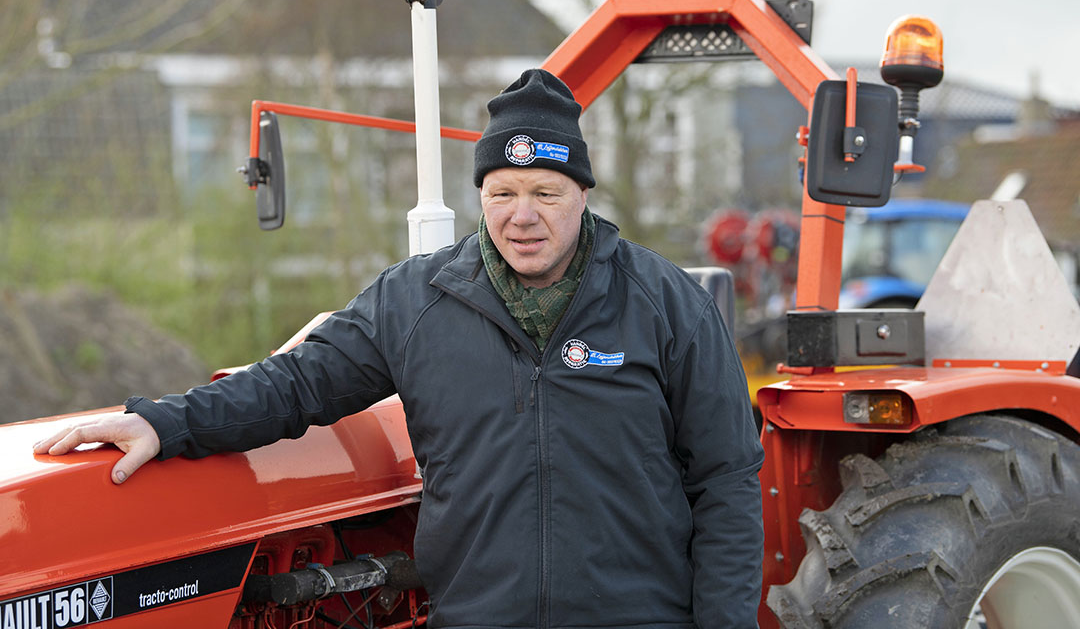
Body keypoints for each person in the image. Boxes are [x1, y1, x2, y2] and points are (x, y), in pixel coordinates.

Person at [35, 69, 765, 628]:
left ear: (581, 194)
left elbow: (727, 479)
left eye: (545, 192)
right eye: (503, 192)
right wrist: (165, 423)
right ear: (480, 194)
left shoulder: (665, 305)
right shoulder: (415, 302)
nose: (522, 216)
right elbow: (296, 385)